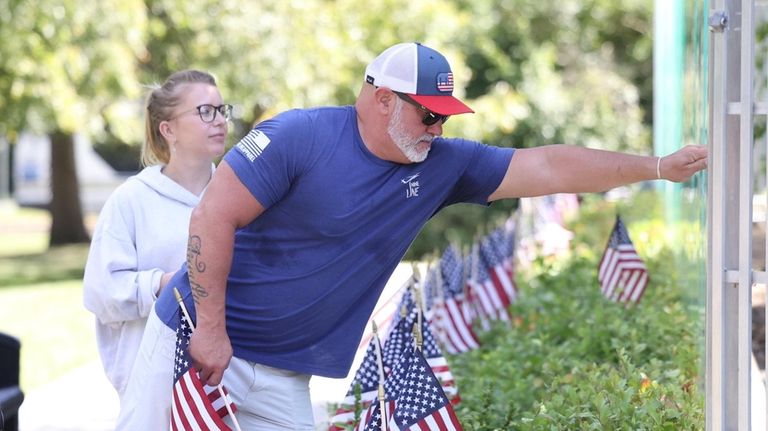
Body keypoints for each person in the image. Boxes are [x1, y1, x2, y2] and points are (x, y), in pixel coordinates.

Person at [123, 42, 708, 430]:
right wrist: (212, 331)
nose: (438, 127)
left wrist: (657, 166)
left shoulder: (442, 164)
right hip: (194, 344)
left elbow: (550, 166)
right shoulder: (297, 136)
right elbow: (210, 219)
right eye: (427, 113)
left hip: (282, 373)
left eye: (445, 116)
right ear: (382, 100)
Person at [82, 69, 230, 405]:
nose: (220, 121)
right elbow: (101, 292)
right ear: (168, 129)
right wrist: (163, 285)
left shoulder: (238, 198)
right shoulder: (132, 200)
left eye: (222, 110)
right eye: (205, 112)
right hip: (153, 391)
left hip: (228, 387)